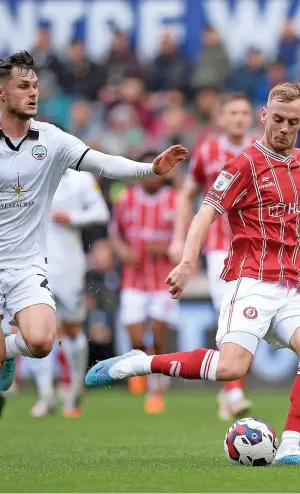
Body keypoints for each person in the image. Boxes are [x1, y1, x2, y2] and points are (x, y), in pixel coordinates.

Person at [85, 82, 300, 465]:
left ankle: (290, 447)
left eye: (293, 122)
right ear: (264, 116)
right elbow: (206, 212)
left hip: (292, 287)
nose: (283, 128)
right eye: (278, 119)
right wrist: (187, 261)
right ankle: (140, 363)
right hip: (250, 282)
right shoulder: (243, 165)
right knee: (232, 366)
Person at [0, 50, 187, 459]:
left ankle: (9, 344)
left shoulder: (51, 140)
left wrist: (150, 170)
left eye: (35, 85)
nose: (33, 93)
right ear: (0, 93)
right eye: (23, 86)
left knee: (41, 342)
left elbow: (103, 163)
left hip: (26, 264)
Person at [169, 93, 254, 421]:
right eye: (232, 112)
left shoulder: (261, 150)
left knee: (251, 318)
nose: (238, 118)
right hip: (221, 247)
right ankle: (234, 392)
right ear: (221, 117)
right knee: (229, 312)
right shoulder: (207, 152)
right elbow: (187, 194)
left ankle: (228, 388)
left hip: (257, 245)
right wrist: (180, 238)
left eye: (244, 112)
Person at [30, 169, 110, 419]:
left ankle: (75, 389)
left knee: (73, 328)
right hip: (34, 264)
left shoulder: (81, 180)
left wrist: (72, 216)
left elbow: (101, 213)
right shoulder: (27, 175)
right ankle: (45, 394)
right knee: (38, 331)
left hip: (69, 266)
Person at [110, 151, 178, 413]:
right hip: (133, 280)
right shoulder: (125, 199)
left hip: (164, 280)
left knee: (159, 334)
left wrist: (162, 249)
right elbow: (115, 232)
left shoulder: (174, 200)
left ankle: (157, 387)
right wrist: (121, 251)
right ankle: (141, 369)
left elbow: (183, 239)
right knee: (136, 337)